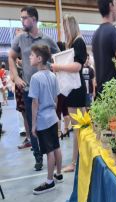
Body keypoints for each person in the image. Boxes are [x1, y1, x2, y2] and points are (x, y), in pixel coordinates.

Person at [8, 6, 60, 171]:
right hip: (29, 90)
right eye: (21, 18)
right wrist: (15, 77)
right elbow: (11, 56)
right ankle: (38, 157)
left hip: (47, 91)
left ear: (34, 19)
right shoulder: (20, 39)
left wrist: (51, 70)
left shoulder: (47, 39)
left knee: (50, 121)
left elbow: (59, 57)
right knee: (33, 126)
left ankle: (52, 153)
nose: (22, 21)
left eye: (25, 17)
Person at [51, 15, 87, 173]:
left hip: (75, 90)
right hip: (74, 89)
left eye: (65, 28)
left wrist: (58, 67)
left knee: (79, 128)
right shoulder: (76, 42)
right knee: (82, 127)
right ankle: (79, 160)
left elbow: (78, 66)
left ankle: (75, 162)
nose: (64, 31)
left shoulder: (78, 42)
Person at [28, 44, 63, 194]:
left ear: (39, 59)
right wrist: (52, 111)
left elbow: (35, 102)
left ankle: (49, 181)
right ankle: (59, 174)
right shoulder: (52, 75)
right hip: (52, 116)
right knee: (56, 147)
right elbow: (56, 98)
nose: (29, 57)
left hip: (43, 118)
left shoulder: (35, 78)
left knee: (49, 150)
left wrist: (33, 124)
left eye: (32, 55)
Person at [92, 0, 116, 96]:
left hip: (101, 93)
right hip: (113, 94)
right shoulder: (112, 32)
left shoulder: (96, 34)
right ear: (111, 6)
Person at [55, 41, 71, 140]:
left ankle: (58, 132)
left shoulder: (56, 60)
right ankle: (66, 129)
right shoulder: (67, 60)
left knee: (58, 110)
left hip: (59, 87)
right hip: (67, 87)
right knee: (65, 110)